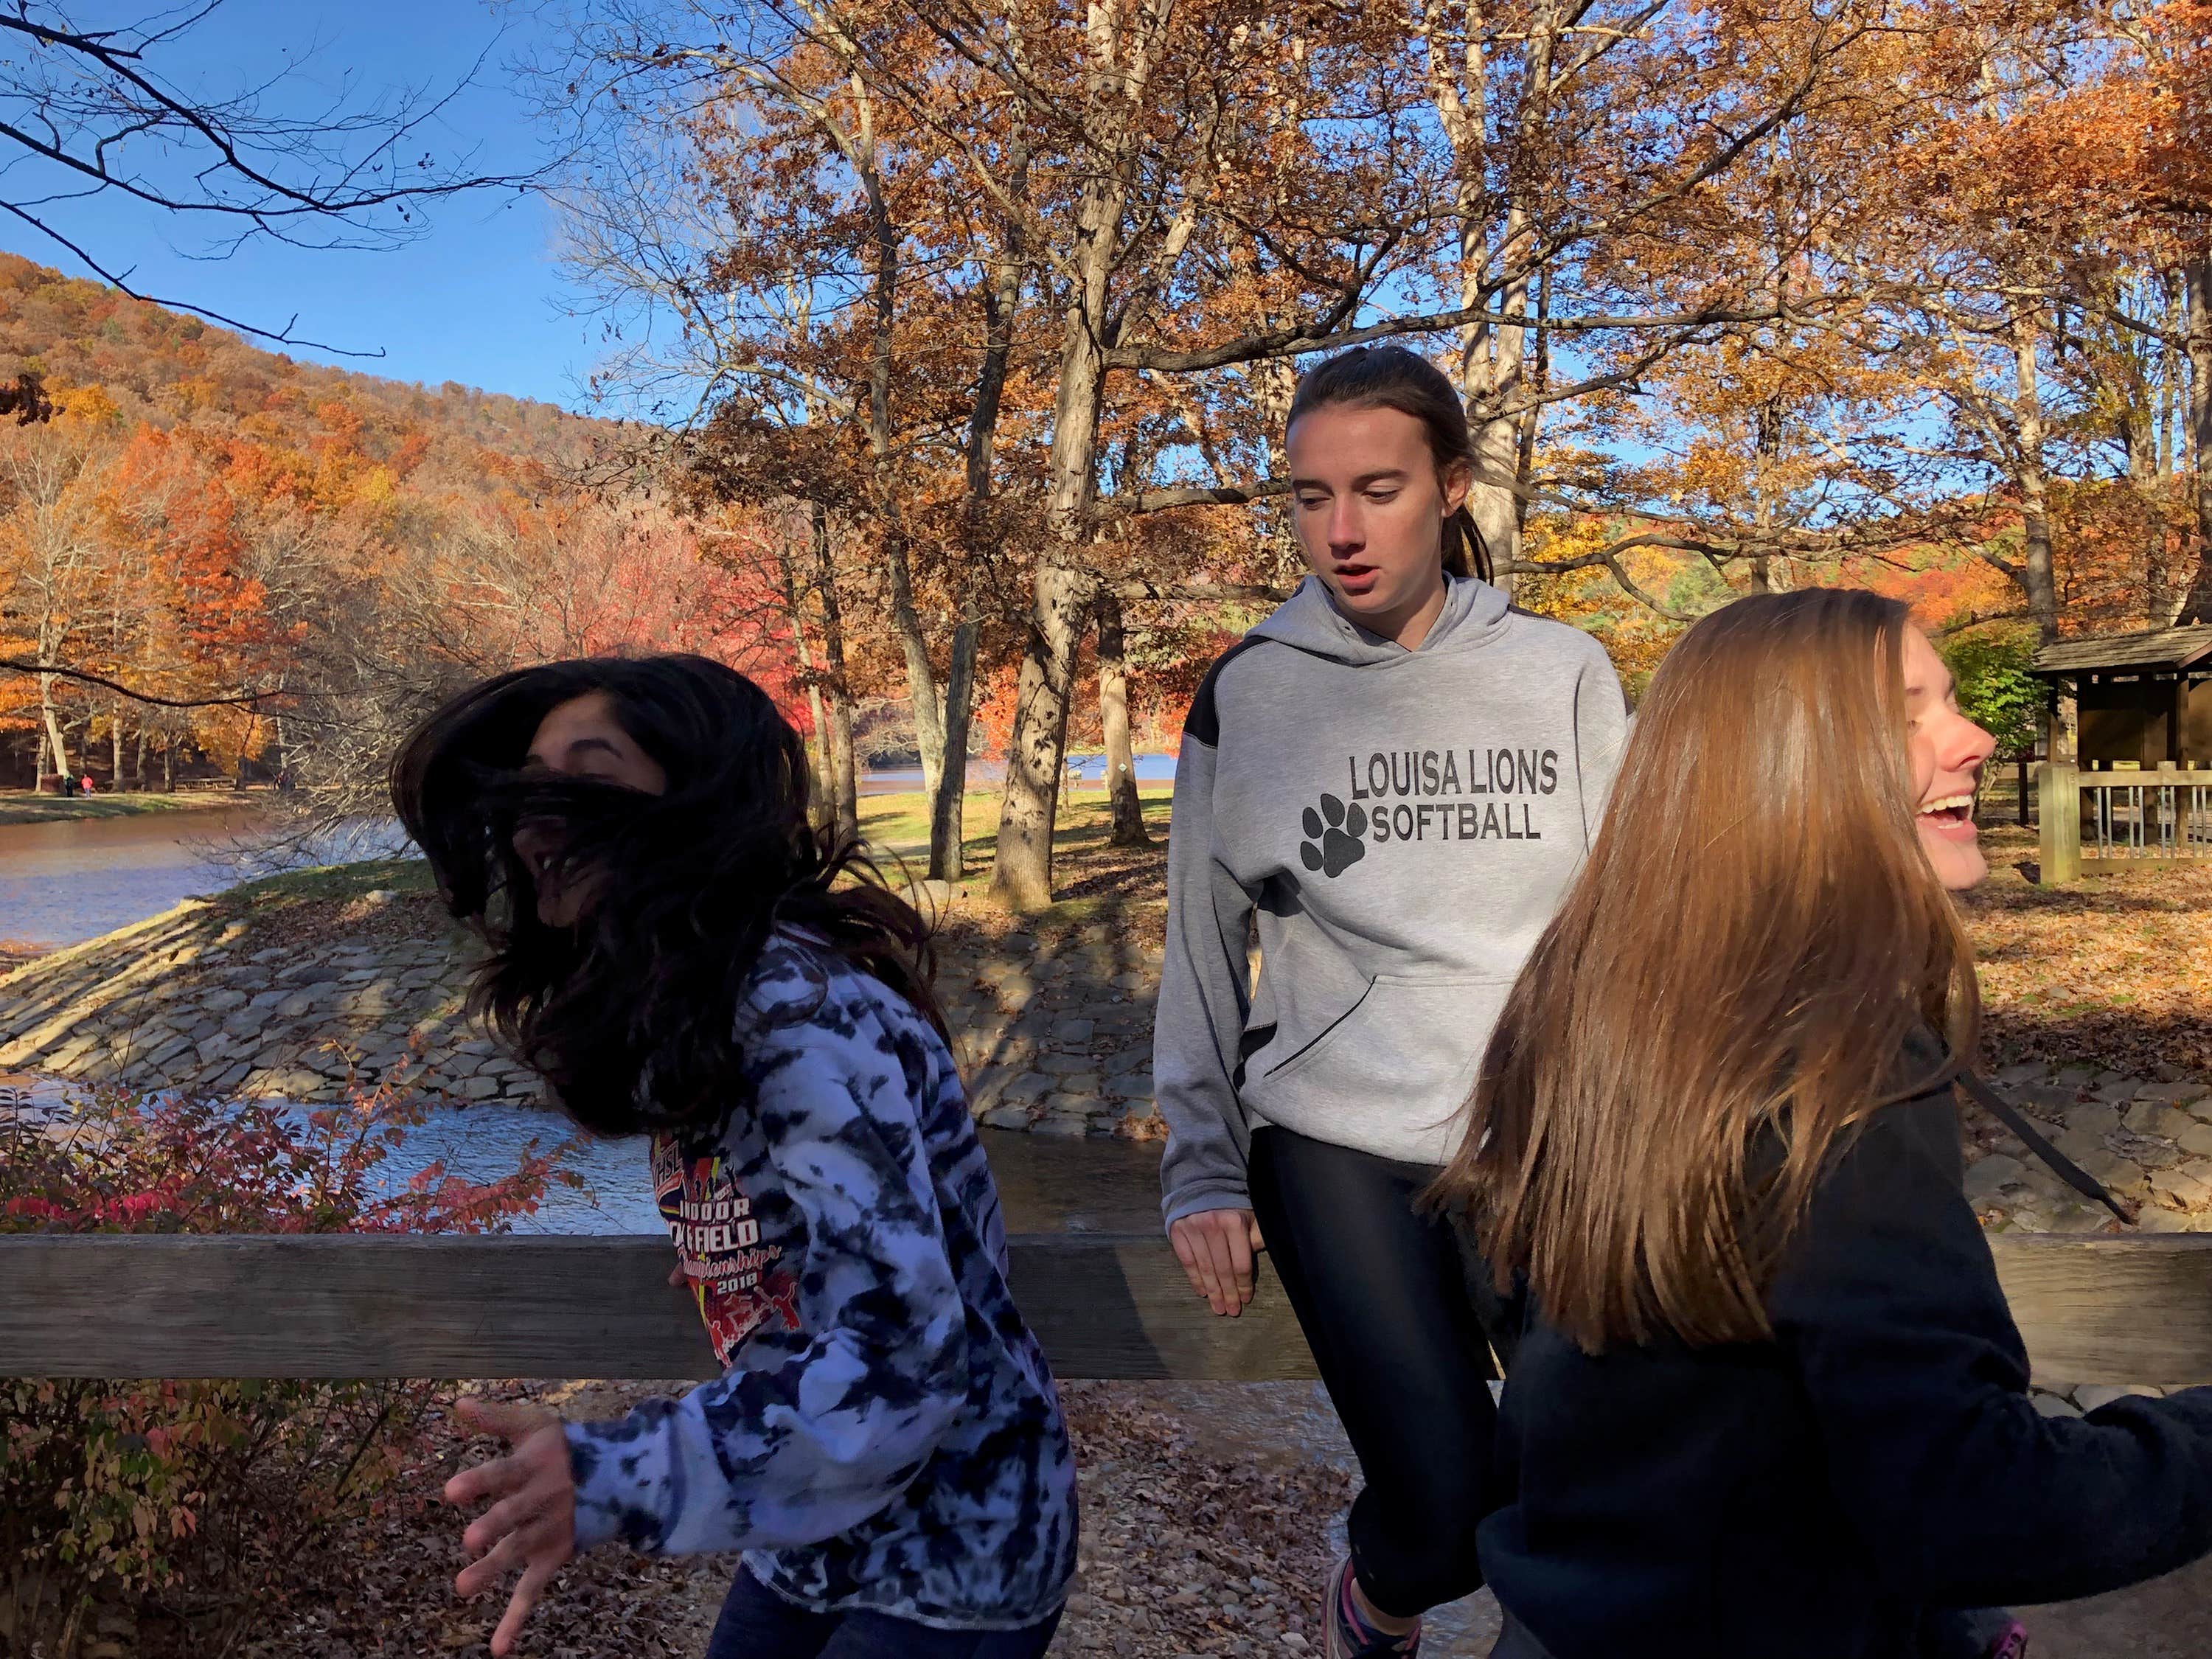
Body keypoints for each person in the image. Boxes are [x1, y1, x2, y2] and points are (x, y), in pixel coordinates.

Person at [1428, 589, 2212, 1659]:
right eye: (1908, 716)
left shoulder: (1597, 1015)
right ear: (1787, 774)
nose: (1976, 738)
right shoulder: (1834, 1080)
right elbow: (1974, 1503)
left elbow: (1548, 1334)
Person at [392, 655, 1078, 1659]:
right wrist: (745, 1257)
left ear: (701, 800)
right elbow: (848, 1216)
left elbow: (904, 1352)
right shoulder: (704, 994)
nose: (544, 817)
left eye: (591, 772)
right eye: (532, 785)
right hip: (812, 1534)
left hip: (950, 1552)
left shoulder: (788, 1009)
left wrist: (606, 1474)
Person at [1154, 344, 1630, 1658]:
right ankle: (1371, 1601)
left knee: (1575, 1480)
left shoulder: (1566, 673)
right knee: (1440, 1503)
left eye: (1378, 488)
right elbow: (1200, 942)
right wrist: (1199, 1168)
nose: (1343, 530)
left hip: (1544, 1131)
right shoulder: (1249, 689)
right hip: (1337, 1135)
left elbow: (1631, 918)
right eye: (1310, 497)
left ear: (1454, 487)